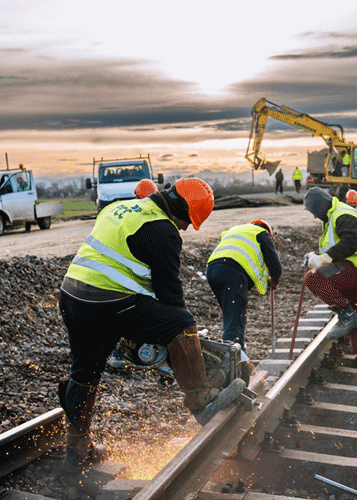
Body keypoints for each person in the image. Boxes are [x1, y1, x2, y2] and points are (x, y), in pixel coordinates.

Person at [56, 178, 245, 473]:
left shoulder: (120, 208)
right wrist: (185, 343)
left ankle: (76, 450)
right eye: (187, 221)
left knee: (85, 371)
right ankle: (201, 400)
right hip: (108, 302)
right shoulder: (163, 230)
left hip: (72, 297)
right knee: (181, 323)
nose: (185, 227)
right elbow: (171, 298)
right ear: (181, 210)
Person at [303, 186, 357, 369]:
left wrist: (323, 259)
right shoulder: (334, 217)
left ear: (320, 206)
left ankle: (345, 311)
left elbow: (350, 242)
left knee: (311, 279)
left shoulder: (342, 214)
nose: (314, 216)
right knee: (356, 317)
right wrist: (317, 259)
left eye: (313, 211)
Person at [206, 220, 283, 377]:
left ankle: (236, 360)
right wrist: (274, 281)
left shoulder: (236, 230)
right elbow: (276, 266)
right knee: (234, 323)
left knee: (232, 317)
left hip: (213, 270)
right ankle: (232, 371)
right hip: (232, 272)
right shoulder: (262, 234)